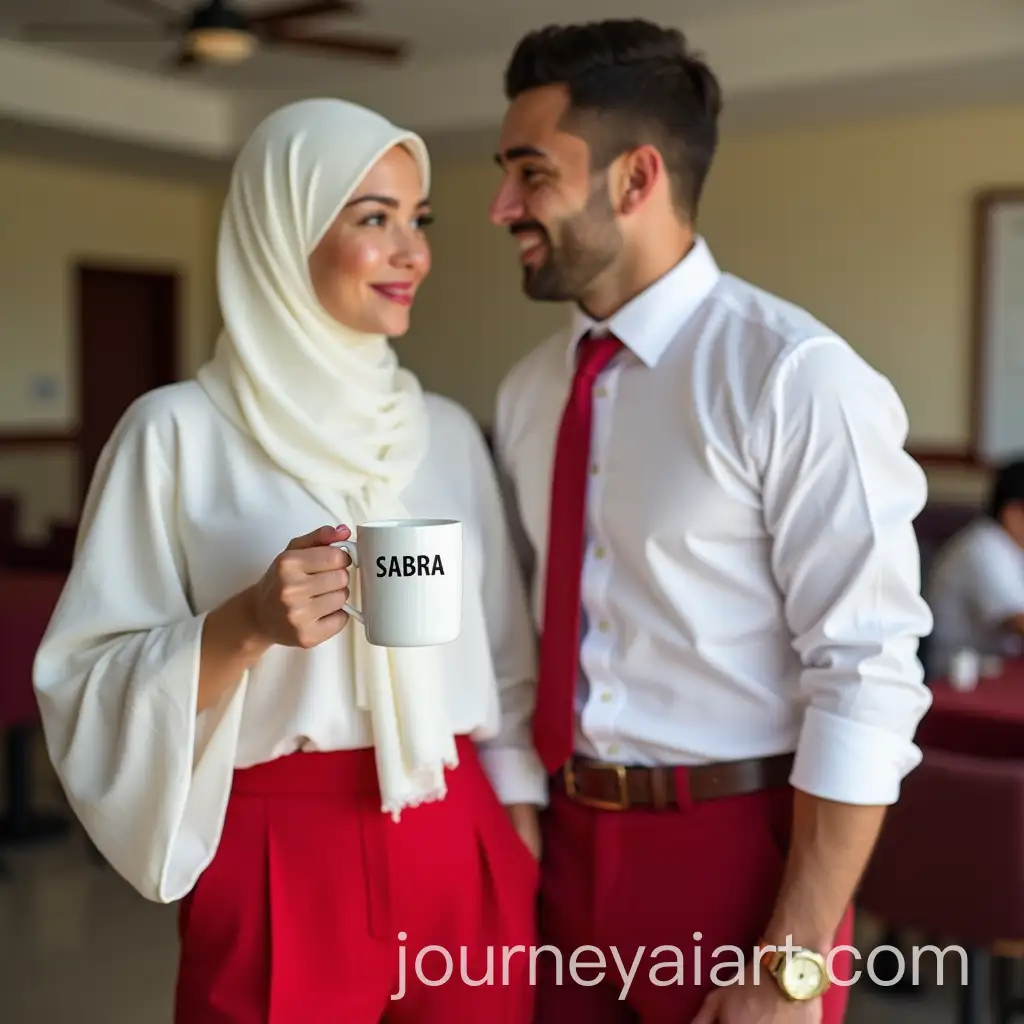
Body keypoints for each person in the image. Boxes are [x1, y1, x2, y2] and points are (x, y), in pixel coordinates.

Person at [33, 98, 544, 1023]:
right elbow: (83, 675)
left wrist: (513, 823)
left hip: (457, 825)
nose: (414, 252)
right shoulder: (176, 433)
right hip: (280, 848)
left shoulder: (443, 434)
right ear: (286, 232)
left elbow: (504, 653)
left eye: (418, 220)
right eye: (373, 219)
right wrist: (243, 627)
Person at [487, 19, 934, 1024]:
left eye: (530, 173)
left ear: (634, 179)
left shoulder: (792, 377)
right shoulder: (525, 395)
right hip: (561, 851)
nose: (499, 206)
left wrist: (791, 963)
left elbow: (866, 673)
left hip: (740, 862)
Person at [926, 457, 1024, 676]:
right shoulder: (982, 547)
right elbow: (1017, 622)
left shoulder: (1012, 547)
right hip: (956, 681)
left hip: (995, 672)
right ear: (1013, 514)